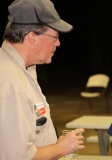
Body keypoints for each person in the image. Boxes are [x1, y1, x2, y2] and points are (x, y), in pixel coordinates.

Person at [0, 0, 85, 159]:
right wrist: (61, 148)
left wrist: (52, 145)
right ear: (32, 37)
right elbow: (18, 157)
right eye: (55, 36)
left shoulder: (21, 70)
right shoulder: (11, 84)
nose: (58, 43)